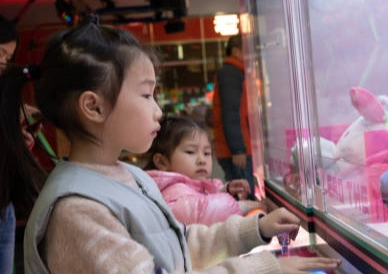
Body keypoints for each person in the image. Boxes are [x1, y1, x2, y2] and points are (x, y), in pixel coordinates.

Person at [0, 16, 340, 273]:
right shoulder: (77, 211)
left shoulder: (130, 176)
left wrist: (256, 229)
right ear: (94, 106)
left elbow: (177, 243)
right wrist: (267, 267)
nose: (158, 111)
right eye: (146, 95)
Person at [146, 116, 266, 226]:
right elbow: (202, 211)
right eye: (190, 152)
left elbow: (200, 196)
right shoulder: (172, 191)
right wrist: (241, 206)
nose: (201, 160)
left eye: (206, 153)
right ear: (162, 162)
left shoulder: (188, 185)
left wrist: (224, 190)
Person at [0, 14, 47, 274]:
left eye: (8, 58)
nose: (4, 65)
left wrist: (17, 141)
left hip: (4, 207)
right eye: (1, 54)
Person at [212, 34, 256, 200]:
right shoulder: (231, 73)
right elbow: (231, 112)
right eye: (247, 50)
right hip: (237, 152)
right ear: (236, 51)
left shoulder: (235, 72)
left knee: (242, 197)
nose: (250, 56)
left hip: (237, 149)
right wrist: (238, 149)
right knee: (244, 197)